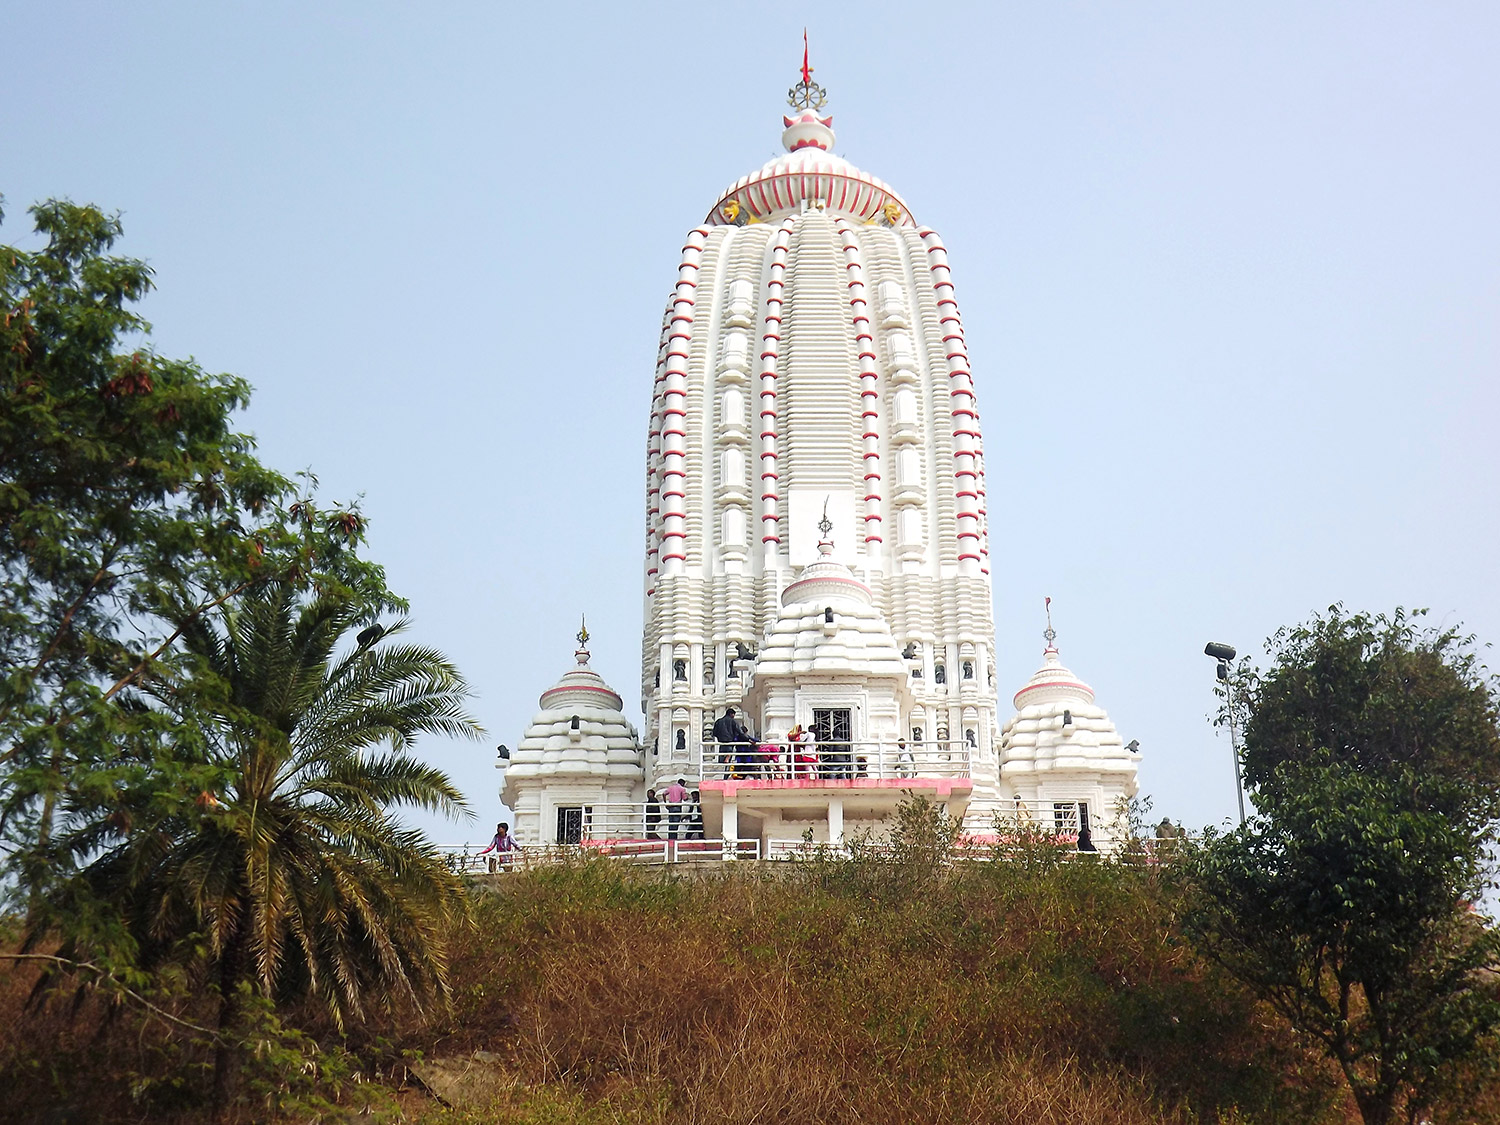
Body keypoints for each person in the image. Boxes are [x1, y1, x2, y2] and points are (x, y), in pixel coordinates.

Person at [713, 707, 753, 778]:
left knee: (722, 762)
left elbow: (714, 733)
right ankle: (725, 777)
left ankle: (721, 774)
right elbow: (740, 732)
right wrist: (748, 739)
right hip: (730, 743)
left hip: (722, 743)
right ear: (731, 714)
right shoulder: (732, 721)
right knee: (728, 762)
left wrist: (721, 737)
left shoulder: (718, 721)